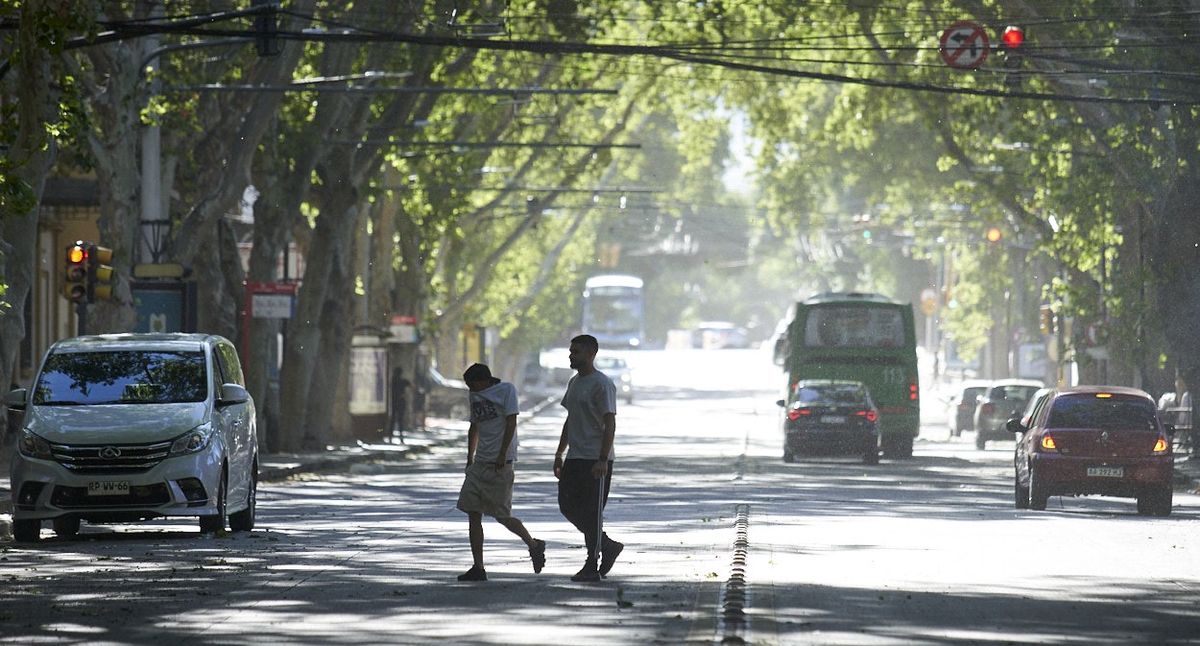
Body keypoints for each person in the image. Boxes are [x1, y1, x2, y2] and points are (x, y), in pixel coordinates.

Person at [455, 363, 545, 582]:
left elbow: (511, 422)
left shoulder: (506, 390)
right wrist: (470, 458)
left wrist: (503, 454)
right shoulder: (474, 395)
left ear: (484, 380)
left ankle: (534, 545)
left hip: (500, 463)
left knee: (501, 515)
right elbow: (474, 427)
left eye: (472, 384)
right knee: (472, 513)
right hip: (480, 464)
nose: (470, 389)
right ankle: (478, 567)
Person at [554, 334, 623, 583]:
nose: (571, 355)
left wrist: (603, 458)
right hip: (575, 457)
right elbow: (570, 419)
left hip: (596, 459)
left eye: (576, 352)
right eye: (571, 351)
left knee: (592, 512)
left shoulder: (602, 384)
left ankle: (591, 563)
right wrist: (559, 452)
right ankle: (606, 544)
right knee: (568, 506)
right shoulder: (574, 383)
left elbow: (610, 422)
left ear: (591, 354)